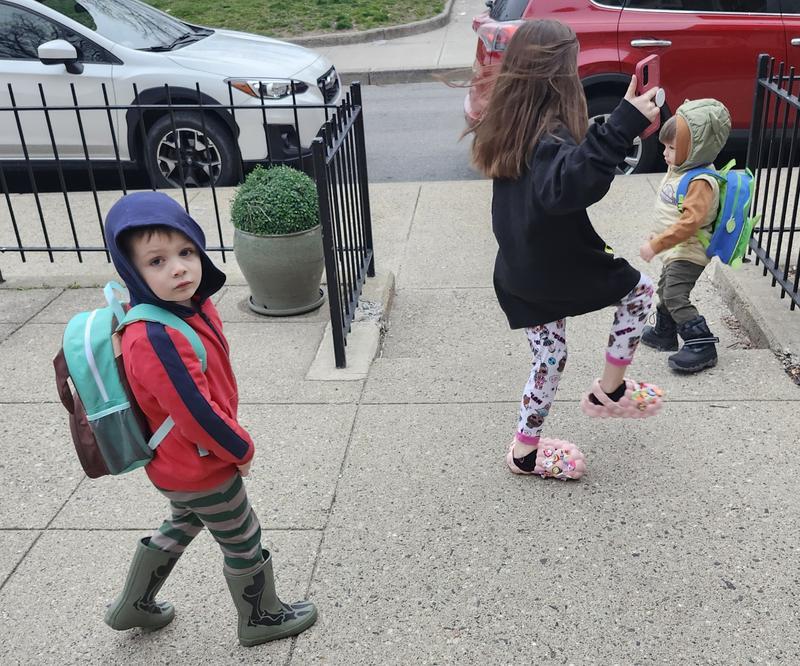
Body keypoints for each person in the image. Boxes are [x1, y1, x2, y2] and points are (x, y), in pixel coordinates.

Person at [101, 191, 317, 647]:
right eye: (156, 262)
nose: (178, 267)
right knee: (243, 536)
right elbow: (195, 412)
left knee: (183, 523)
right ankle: (261, 618)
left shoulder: (189, 306)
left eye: (185, 252)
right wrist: (240, 449)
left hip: (180, 464)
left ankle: (132, 605)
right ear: (132, 272)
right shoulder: (155, 335)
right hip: (201, 464)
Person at [467, 19, 665, 481]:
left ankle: (524, 450)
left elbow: (568, 170)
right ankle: (610, 393)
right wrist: (621, 127)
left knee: (550, 357)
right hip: (557, 267)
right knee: (639, 293)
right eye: (571, 67)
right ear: (558, 75)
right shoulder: (547, 135)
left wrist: (623, 122)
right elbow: (568, 185)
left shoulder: (512, 122)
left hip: (521, 269)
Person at [639, 99, 731, 373]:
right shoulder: (683, 168)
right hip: (675, 249)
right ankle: (664, 333)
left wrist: (657, 244)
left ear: (695, 150)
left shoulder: (700, 181)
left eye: (671, 148)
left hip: (689, 250)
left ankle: (701, 343)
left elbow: (690, 223)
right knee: (666, 289)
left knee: (677, 295)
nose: (665, 154)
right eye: (664, 147)